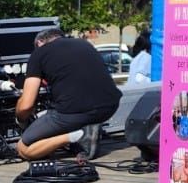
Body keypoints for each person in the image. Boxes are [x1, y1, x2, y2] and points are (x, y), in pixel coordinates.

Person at [15, 28, 122, 161]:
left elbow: (26, 106)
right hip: (109, 107)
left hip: (74, 113)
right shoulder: (84, 44)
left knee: (24, 149)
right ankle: (86, 133)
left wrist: (20, 119)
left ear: (40, 42)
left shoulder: (39, 53)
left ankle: (79, 136)